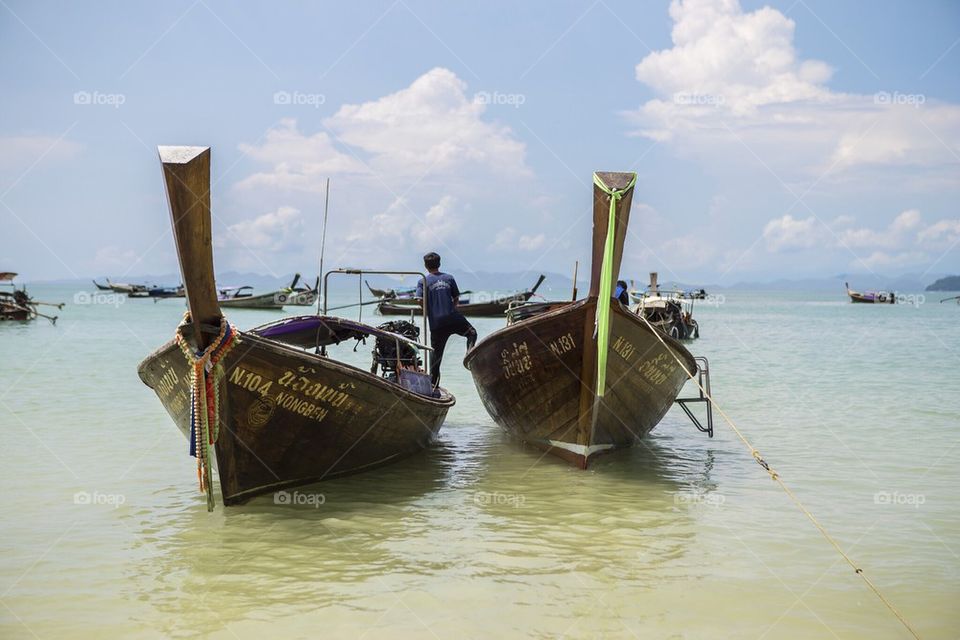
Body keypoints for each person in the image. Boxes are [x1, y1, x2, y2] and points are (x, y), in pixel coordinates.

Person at [416, 252, 477, 386]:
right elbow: (456, 298)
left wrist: (429, 310)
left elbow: (419, 300)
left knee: (436, 358)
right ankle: (469, 353)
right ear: (439, 264)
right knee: (472, 333)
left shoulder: (423, 281)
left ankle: (433, 384)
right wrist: (451, 309)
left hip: (437, 323)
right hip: (452, 318)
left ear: (425, 266)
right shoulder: (449, 278)